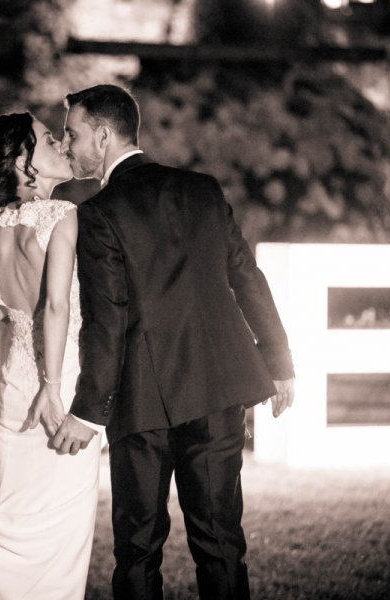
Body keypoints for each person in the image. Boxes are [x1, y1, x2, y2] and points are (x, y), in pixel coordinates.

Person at [50, 84, 296, 600]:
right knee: (222, 543)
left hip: (143, 402)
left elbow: (106, 320)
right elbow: (246, 276)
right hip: (217, 389)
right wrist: (279, 360)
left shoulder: (98, 213)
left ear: (102, 135)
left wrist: (89, 409)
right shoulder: (202, 189)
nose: (67, 145)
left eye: (72, 134)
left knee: (138, 551)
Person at [0, 112, 101, 599]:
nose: (60, 143)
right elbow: (58, 306)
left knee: (10, 504)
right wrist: (53, 385)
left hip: (11, 387)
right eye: (47, 140)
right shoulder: (62, 216)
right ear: (26, 163)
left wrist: (12, 316)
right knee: (61, 526)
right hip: (56, 383)